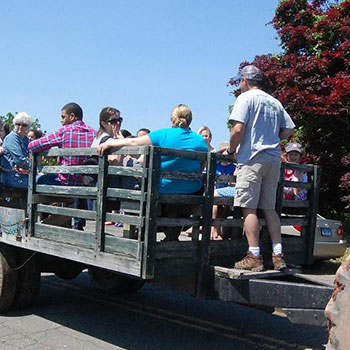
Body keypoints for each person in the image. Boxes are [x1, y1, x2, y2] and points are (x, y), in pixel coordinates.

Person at [227, 65, 295, 271]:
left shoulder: (245, 98)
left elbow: (238, 129)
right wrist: (273, 138)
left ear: (245, 81)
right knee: (269, 209)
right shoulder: (274, 102)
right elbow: (290, 128)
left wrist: (231, 150)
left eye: (240, 81)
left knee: (248, 207)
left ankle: (254, 255)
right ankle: (277, 255)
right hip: (273, 158)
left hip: (253, 157)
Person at [98, 104, 208, 194]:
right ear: (190, 120)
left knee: (130, 167)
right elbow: (203, 165)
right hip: (192, 189)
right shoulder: (200, 140)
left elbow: (134, 142)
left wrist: (111, 143)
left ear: (173, 120)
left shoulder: (163, 134)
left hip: (163, 188)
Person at [28, 102, 96, 230]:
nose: (61, 120)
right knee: (79, 185)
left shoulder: (64, 132)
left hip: (65, 181)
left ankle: (43, 217)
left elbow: (33, 145)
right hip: (86, 182)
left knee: (37, 180)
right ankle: (78, 224)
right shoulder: (93, 133)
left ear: (72, 116)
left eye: (63, 117)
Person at [211, 141, 237, 240]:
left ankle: (219, 227)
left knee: (225, 206)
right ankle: (213, 227)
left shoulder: (234, 167)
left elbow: (234, 183)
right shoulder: (216, 166)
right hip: (215, 190)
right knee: (214, 201)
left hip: (227, 193)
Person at [1, 112, 33, 188]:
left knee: (45, 180)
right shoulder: (12, 138)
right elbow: (20, 160)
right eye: (18, 124)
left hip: (22, 175)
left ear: (28, 127)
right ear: (14, 125)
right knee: (41, 182)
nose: (20, 127)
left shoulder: (25, 140)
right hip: (12, 177)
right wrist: (35, 168)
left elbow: (30, 156)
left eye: (24, 125)